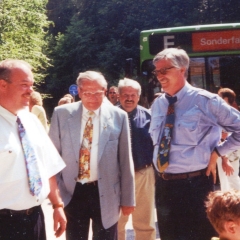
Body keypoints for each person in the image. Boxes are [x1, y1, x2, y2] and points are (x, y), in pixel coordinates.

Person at [149, 48, 240, 240]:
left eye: (165, 70)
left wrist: (217, 152)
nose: (160, 76)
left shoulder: (206, 101)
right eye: (157, 71)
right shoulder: (158, 104)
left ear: (182, 69)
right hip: (164, 187)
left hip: (195, 186)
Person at [49, 71, 135, 240]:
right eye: (87, 93)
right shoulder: (61, 114)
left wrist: (128, 199)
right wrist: (58, 194)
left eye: (98, 93)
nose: (93, 98)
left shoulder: (119, 116)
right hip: (72, 192)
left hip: (107, 192)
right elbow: (52, 157)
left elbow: (125, 161)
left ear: (105, 91)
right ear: (79, 92)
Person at [0, 59, 66, 239]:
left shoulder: (31, 120)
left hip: (35, 219)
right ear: (2, 85)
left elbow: (47, 167)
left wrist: (57, 205)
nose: (31, 91)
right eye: (24, 85)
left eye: (31, 85)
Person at [117, 78, 156, 240]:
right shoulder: (109, 116)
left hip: (143, 174)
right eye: (125, 94)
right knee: (116, 222)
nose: (129, 98)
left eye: (133, 95)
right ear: (119, 96)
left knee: (145, 222)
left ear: (139, 97)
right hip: (117, 177)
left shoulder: (149, 116)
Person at [217, 88, 240, 191]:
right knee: (228, 178)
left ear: (225, 99)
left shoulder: (225, 114)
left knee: (230, 177)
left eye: (219, 97)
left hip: (228, 151)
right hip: (230, 150)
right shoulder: (233, 113)